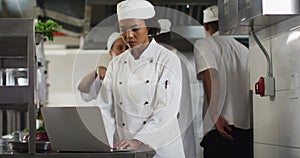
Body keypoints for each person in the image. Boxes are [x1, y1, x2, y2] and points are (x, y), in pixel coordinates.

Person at [96, 0, 185, 157]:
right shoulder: (116, 63)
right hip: (125, 149)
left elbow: (166, 110)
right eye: (124, 30)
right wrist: (104, 144)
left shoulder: (168, 59)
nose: (129, 35)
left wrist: (139, 141)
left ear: (148, 27)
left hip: (160, 150)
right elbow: (105, 109)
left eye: (135, 29)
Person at [193, 5, 251, 158]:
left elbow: (211, 73)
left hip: (219, 128)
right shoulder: (244, 50)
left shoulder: (204, 44)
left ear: (206, 26)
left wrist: (214, 114)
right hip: (246, 132)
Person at [77, 32, 127, 102]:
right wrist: (97, 71)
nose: (124, 51)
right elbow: (82, 87)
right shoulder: (105, 77)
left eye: (127, 48)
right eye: (120, 48)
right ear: (110, 52)